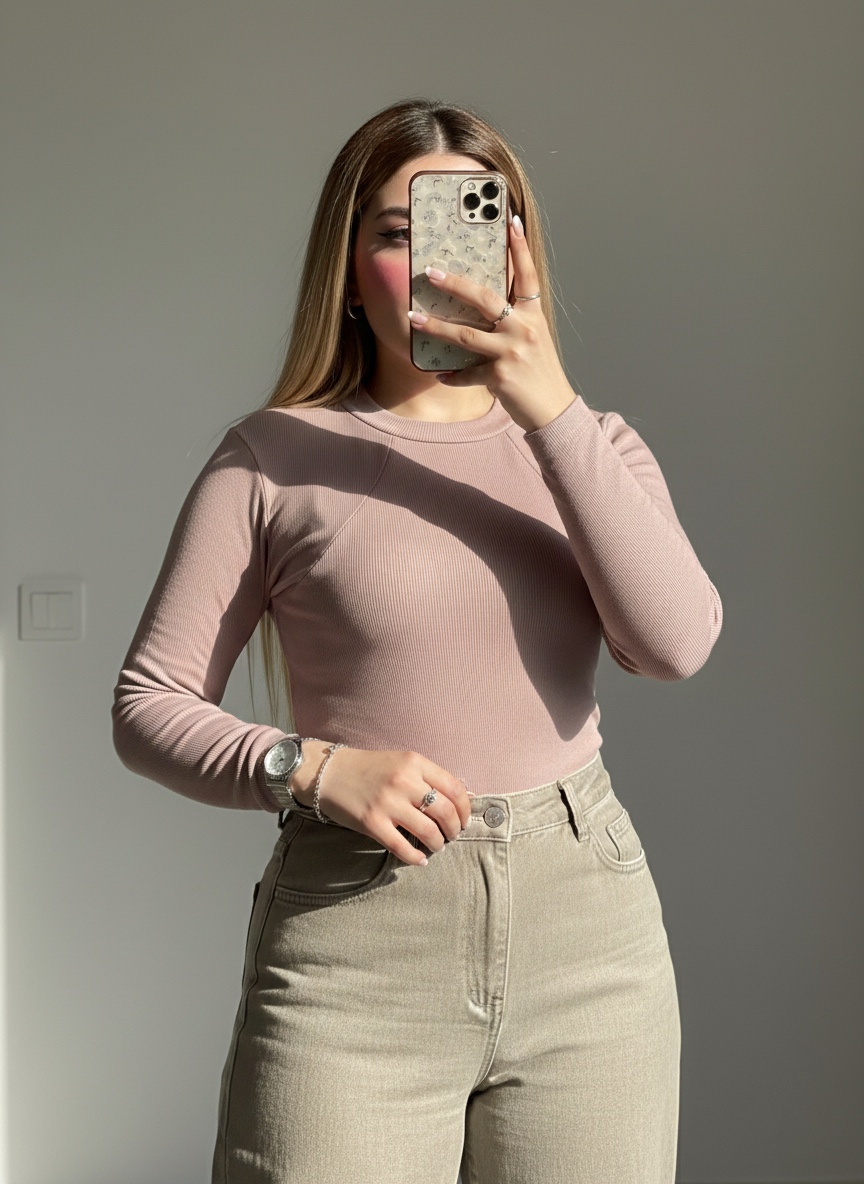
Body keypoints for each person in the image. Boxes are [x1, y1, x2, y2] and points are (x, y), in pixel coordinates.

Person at [112, 98, 723, 1184]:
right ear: (348, 271)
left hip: (589, 937)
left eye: (473, 227)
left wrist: (550, 412)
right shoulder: (270, 459)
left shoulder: (594, 446)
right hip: (357, 943)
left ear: (518, 256)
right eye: (397, 233)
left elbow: (675, 644)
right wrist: (311, 767)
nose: (437, 262)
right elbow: (147, 705)